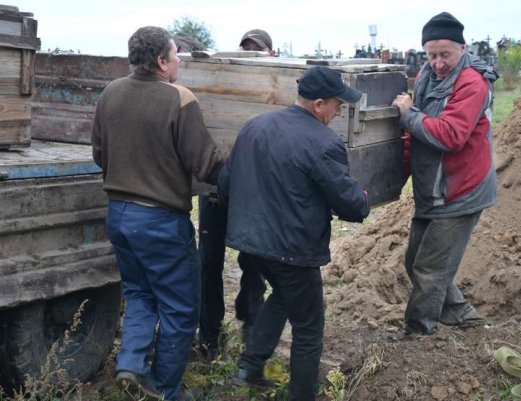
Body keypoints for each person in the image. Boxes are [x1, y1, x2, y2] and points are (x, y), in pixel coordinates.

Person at [219, 66, 369, 401]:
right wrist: (362, 199)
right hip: (292, 250)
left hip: (250, 243)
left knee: (285, 296)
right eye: (336, 105)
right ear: (318, 105)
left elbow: (225, 184)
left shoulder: (255, 126)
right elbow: (351, 206)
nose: (339, 111)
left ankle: (250, 366)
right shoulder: (324, 142)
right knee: (309, 327)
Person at [91, 26, 226, 401]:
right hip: (160, 222)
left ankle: (131, 365)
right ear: (161, 62)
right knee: (181, 309)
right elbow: (207, 165)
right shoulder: (179, 99)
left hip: (118, 215)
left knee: (138, 294)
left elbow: (99, 155)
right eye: (175, 54)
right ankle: (163, 389)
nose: (180, 59)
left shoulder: (110, 93)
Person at [391, 12, 498, 336]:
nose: (437, 62)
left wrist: (409, 115)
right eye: (431, 55)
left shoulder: (472, 83)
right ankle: (463, 316)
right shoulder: (427, 75)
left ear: (462, 48)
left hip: (461, 190)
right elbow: (417, 134)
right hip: (432, 188)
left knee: (429, 269)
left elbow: (451, 135)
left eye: (445, 55)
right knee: (416, 263)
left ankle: (418, 334)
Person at [197, 28, 273, 358]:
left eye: (257, 49)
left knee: (254, 262)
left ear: (271, 53)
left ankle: (251, 324)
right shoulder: (225, 86)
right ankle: (209, 335)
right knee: (209, 262)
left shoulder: (277, 88)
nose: (250, 54)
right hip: (216, 191)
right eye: (245, 50)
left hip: (257, 197)